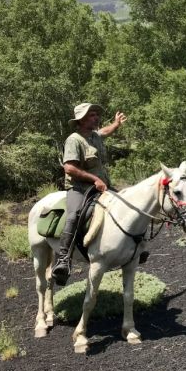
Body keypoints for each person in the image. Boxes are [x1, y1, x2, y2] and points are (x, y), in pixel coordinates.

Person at [51, 103, 127, 286]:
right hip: (79, 188)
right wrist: (94, 179)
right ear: (82, 120)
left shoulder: (95, 136)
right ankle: (63, 261)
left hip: (102, 187)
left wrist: (116, 124)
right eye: (92, 115)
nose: (96, 117)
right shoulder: (74, 140)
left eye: (96, 114)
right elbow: (69, 168)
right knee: (74, 216)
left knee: (126, 205)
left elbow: (105, 132)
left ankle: (130, 250)